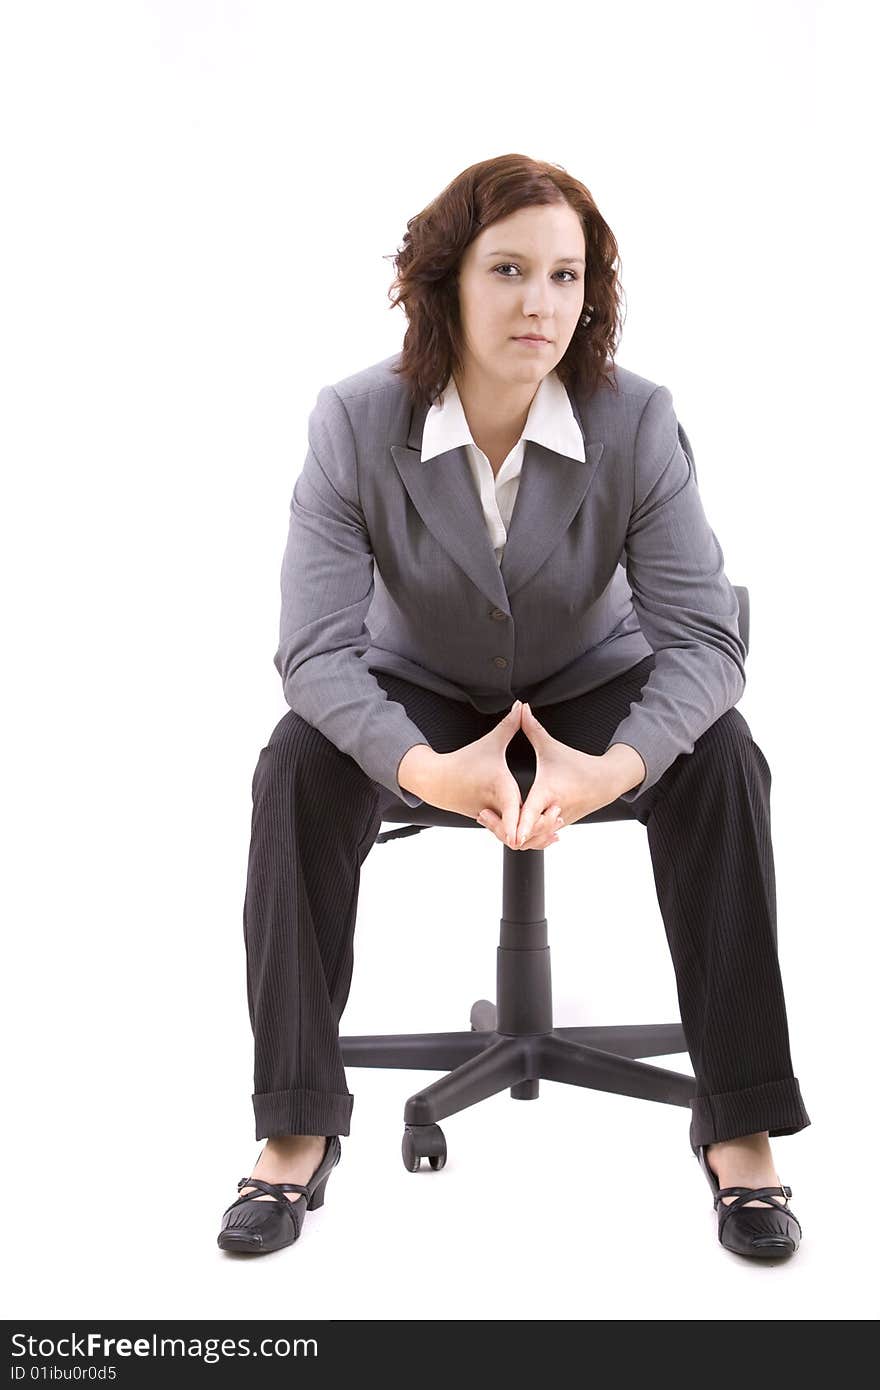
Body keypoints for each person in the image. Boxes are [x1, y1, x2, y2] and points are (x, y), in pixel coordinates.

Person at [217, 153, 810, 1259]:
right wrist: (421, 768)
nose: (540, 302)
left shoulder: (635, 421)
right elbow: (313, 647)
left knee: (723, 755)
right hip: (421, 690)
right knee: (294, 763)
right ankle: (294, 1130)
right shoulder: (354, 422)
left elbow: (704, 639)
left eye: (565, 276)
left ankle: (742, 1132)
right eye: (507, 270)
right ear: (443, 282)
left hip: (593, 683)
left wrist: (617, 765)